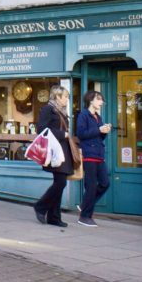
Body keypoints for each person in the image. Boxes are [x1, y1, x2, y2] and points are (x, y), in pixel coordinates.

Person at [32, 85, 74, 227]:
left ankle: (54, 217)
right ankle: (40, 206)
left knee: (60, 183)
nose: (68, 99)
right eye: (66, 96)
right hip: (55, 151)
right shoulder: (48, 109)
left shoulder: (61, 111)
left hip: (63, 150)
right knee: (60, 183)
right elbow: (42, 129)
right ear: (57, 97)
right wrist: (63, 134)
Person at [75, 90, 111, 227]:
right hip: (89, 154)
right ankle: (84, 217)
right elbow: (81, 134)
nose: (101, 102)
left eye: (102, 100)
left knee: (105, 183)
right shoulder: (83, 115)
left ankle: (85, 204)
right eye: (99, 99)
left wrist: (104, 132)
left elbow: (99, 136)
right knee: (90, 187)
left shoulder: (98, 117)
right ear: (91, 100)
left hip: (99, 154)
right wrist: (99, 130)